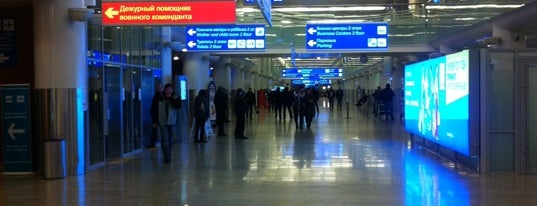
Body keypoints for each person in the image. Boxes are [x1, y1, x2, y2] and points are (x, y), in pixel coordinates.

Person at [150, 83, 182, 164]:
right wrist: (154, 121)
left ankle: (168, 151)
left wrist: (171, 98)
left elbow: (178, 106)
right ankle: (167, 157)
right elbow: (153, 110)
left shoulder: (175, 97)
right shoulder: (159, 97)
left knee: (171, 139)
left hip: (172, 121)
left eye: (170, 89)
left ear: (172, 90)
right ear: (164, 90)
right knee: (165, 140)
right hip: (162, 122)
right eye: (167, 89)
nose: (168, 91)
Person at [146, 84, 163, 148]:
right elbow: (154, 107)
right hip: (156, 116)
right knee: (154, 131)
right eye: (159, 87)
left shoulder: (160, 96)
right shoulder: (157, 95)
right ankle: (152, 143)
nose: (160, 88)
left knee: (156, 131)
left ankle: (153, 143)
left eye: (161, 87)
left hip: (160, 116)